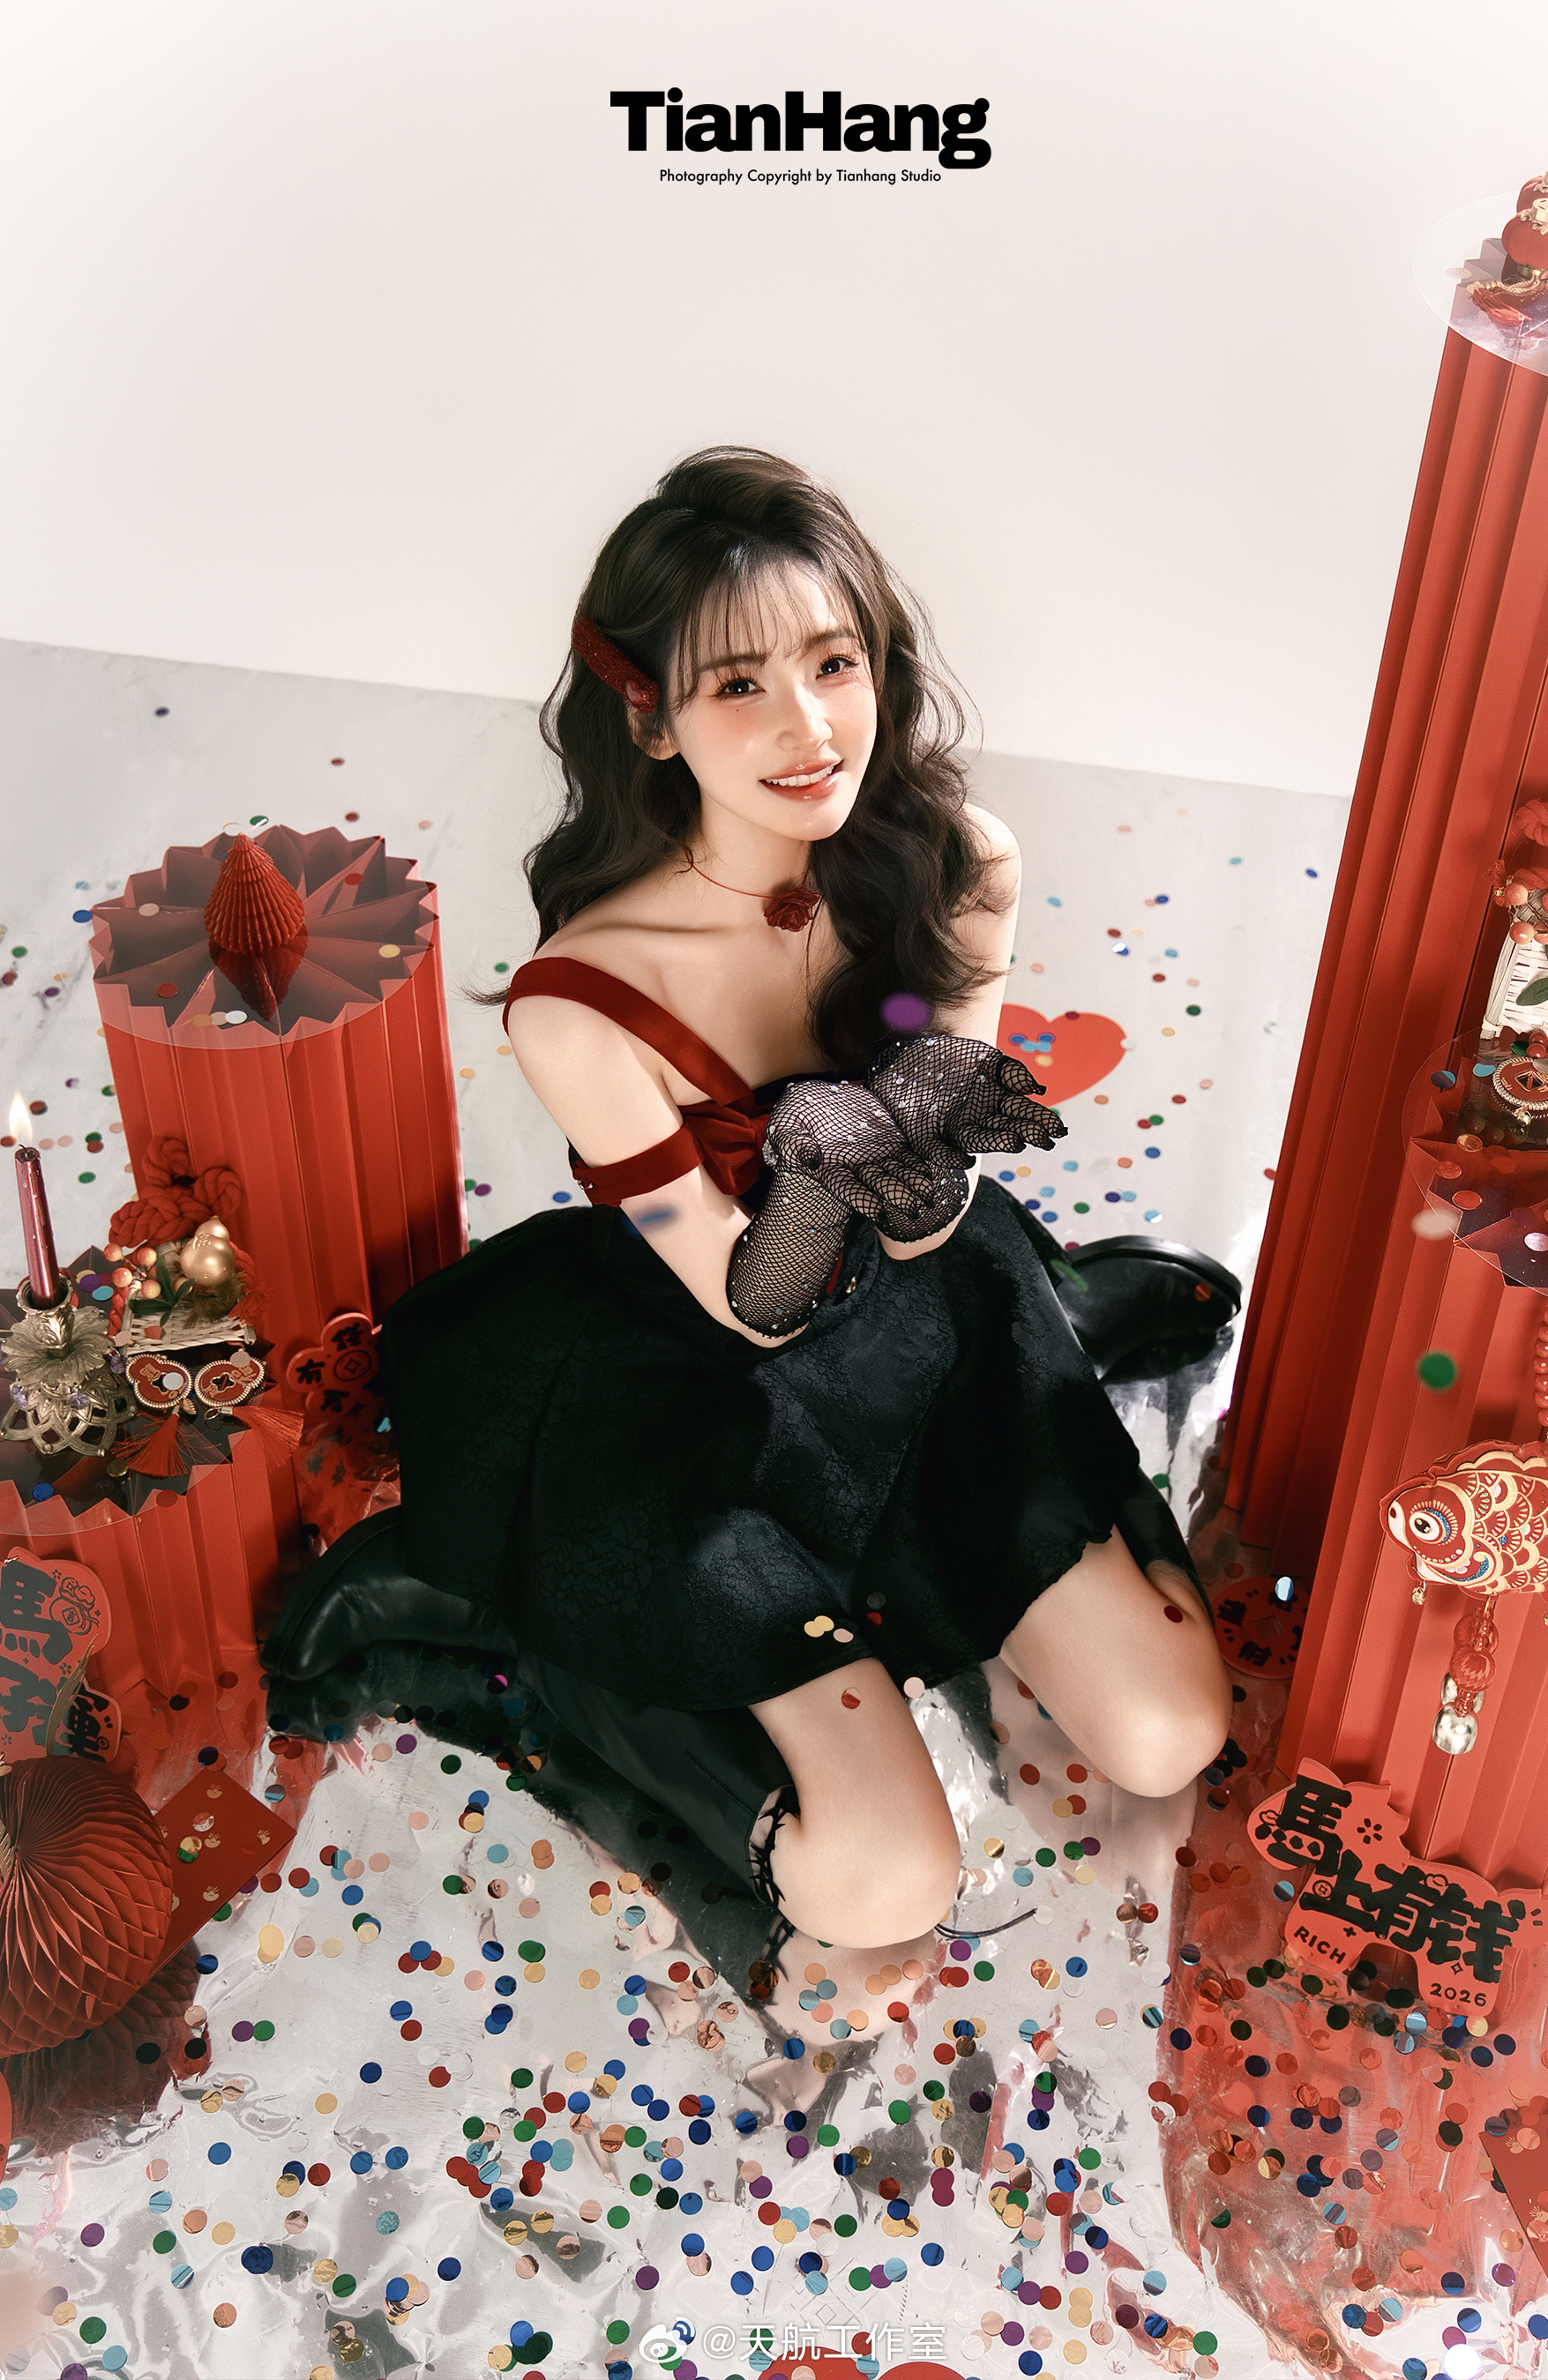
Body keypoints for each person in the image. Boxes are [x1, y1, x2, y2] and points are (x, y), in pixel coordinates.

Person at [266, 448, 1236, 1957]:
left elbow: (929, 1220)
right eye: (738, 685)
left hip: (927, 1316)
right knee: (882, 1886)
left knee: (1173, 1735)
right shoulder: (582, 1001)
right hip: (701, 1389)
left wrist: (905, 1152)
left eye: (834, 663)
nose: (809, 727)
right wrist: (861, 1132)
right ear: (649, 715)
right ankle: (526, 1636)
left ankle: (1054, 1312)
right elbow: (758, 1304)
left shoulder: (957, 864)